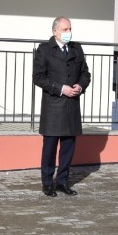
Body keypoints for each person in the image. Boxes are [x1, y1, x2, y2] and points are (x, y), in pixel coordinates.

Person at [32, 17, 91, 197]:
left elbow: (85, 73)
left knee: (68, 147)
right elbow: (38, 77)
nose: (68, 32)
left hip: (71, 106)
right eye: (65, 29)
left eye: (70, 29)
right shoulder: (44, 50)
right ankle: (48, 182)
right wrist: (60, 89)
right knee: (49, 148)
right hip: (53, 106)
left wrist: (80, 86)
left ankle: (62, 181)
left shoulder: (76, 48)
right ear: (55, 31)